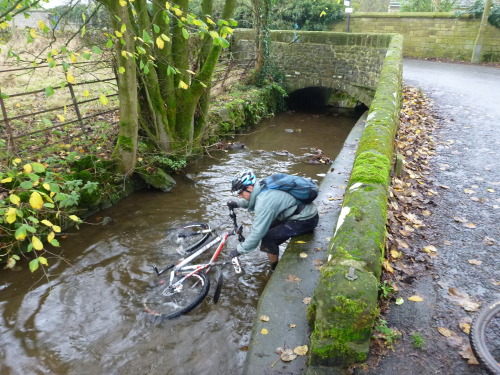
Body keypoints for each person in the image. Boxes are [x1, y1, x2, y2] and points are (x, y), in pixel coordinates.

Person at [227, 170, 319, 270]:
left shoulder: (264, 201)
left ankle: (274, 269)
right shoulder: (261, 185)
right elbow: (253, 200)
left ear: (249, 188)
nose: (240, 196)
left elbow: (257, 232)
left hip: (306, 220)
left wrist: (238, 250)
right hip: (301, 211)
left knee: (268, 238)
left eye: (240, 193)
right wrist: (237, 203)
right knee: (268, 227)